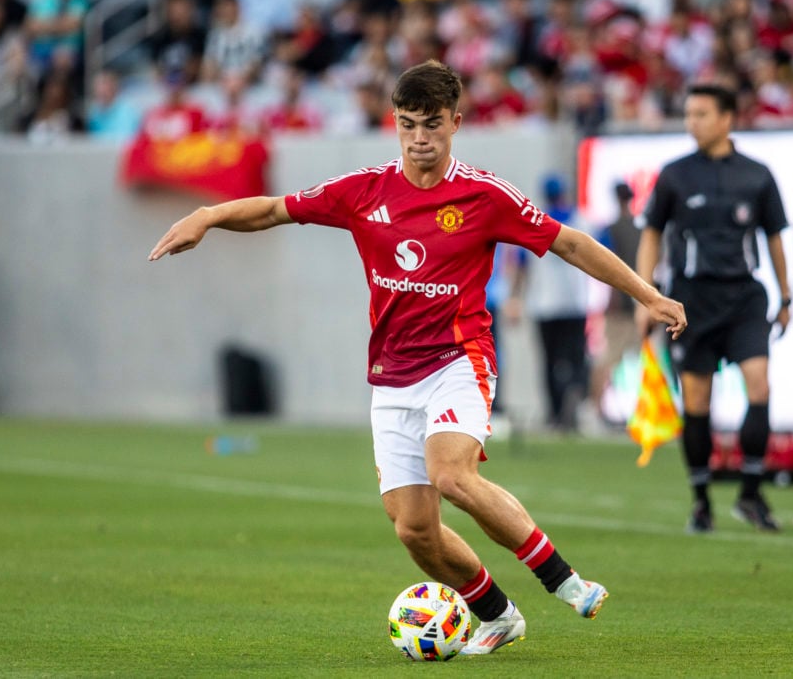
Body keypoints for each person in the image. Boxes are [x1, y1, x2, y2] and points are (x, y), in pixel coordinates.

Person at [149, 60, 687, 654]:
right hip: (391, 378)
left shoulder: (484, 196)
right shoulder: (364, 191)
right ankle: (498, 614)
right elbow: (276, 209)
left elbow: (570, 242)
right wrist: (207, 216)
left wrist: (648, 293)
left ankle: (564, 580)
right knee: (414, 530)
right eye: (407, 125)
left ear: (455, 123)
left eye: (431, 124)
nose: (419, 138)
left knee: (452, 475)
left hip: (459, 359)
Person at [634, 84, 791, 534]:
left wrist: (785, 295)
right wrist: (647, 295)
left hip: (745, 298)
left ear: (727, 119)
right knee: (697, 401)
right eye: (688, 114)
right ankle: (701, 500)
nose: (692, 123)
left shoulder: (757, 175)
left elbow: (775, 237)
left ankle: (751, 492)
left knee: (758, 386)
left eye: (701, 114)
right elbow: (651, 233)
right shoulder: (674, 175)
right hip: (690, 301)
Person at [507, 173, 591, 433]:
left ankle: (556, 413)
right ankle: (574, 393)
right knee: (577, 356)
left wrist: (515, 298)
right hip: (575, 303)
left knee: (549, 360)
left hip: (544, 305)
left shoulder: (534, 224)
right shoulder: (582, 222)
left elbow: (520, 266)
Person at [591, 181, 642, 419]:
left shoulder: (610, 229)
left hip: (620, 303)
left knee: (608, 358)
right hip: (641, 303)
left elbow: (604, 266)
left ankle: (597, 409)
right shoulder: (641, 230)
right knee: (641, 359)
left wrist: (610, 299)